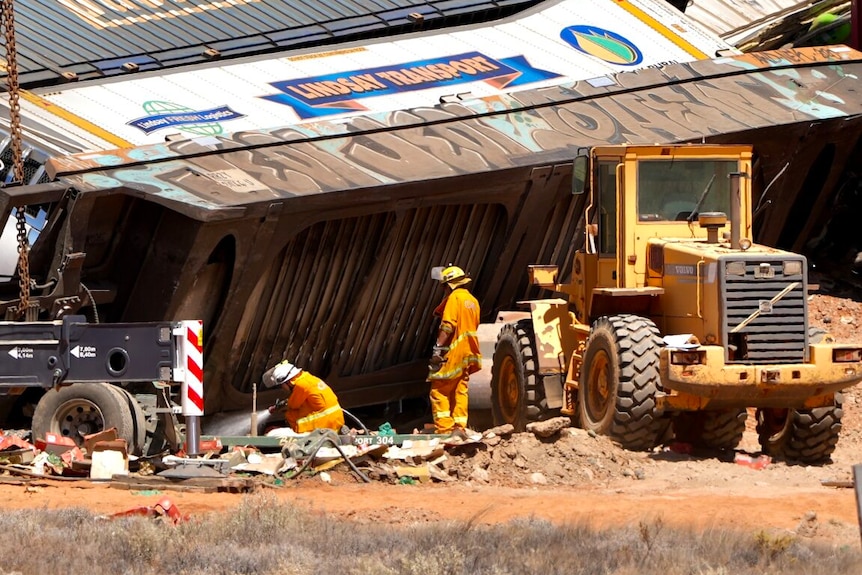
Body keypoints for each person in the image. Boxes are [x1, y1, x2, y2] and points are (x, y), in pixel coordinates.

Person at [427, 264, 482, 437]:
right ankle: (459, 427)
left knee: (439, 389)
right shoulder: (473, 301)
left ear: (448, 285)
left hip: (455, 351)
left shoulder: (454, 298)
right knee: (460, 389)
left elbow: (448, 326)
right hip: (470, 352)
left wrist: (438, 350)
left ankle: (444, 429)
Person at [262, 360, 345, 433]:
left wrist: (279, 408)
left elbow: (292, 405)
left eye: (281, 385)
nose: (282, 388)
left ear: (287, 381)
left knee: (290, 414)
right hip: (336, 421)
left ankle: (298, 432)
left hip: (326, 424)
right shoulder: (307, 378)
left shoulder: (300, 385)